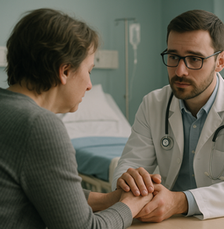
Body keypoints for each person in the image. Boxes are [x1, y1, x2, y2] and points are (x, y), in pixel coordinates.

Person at [112, 9, 224, 222]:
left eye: (194, 59)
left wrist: (180, 201)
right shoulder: (153, 104)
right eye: (174, 56)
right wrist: (129, 179)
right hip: (179, 221)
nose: (180, 71)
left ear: (220, 61)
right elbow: (128, 164)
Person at [0, 8, 152, 229]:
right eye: (89, 71)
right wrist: (131, 205)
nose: (90, 85)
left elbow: (50, 188)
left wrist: (109, 199)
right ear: (64, 71)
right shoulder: (39, 126)